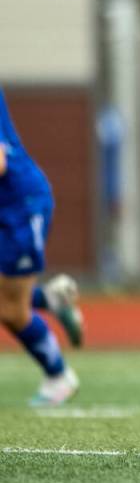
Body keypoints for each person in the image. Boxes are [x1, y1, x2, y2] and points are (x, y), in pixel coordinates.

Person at [0, 88, 83, 405]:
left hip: (19, 208)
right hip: (10, 205)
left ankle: (59, 376)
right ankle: (51, 300)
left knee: (10, 310)